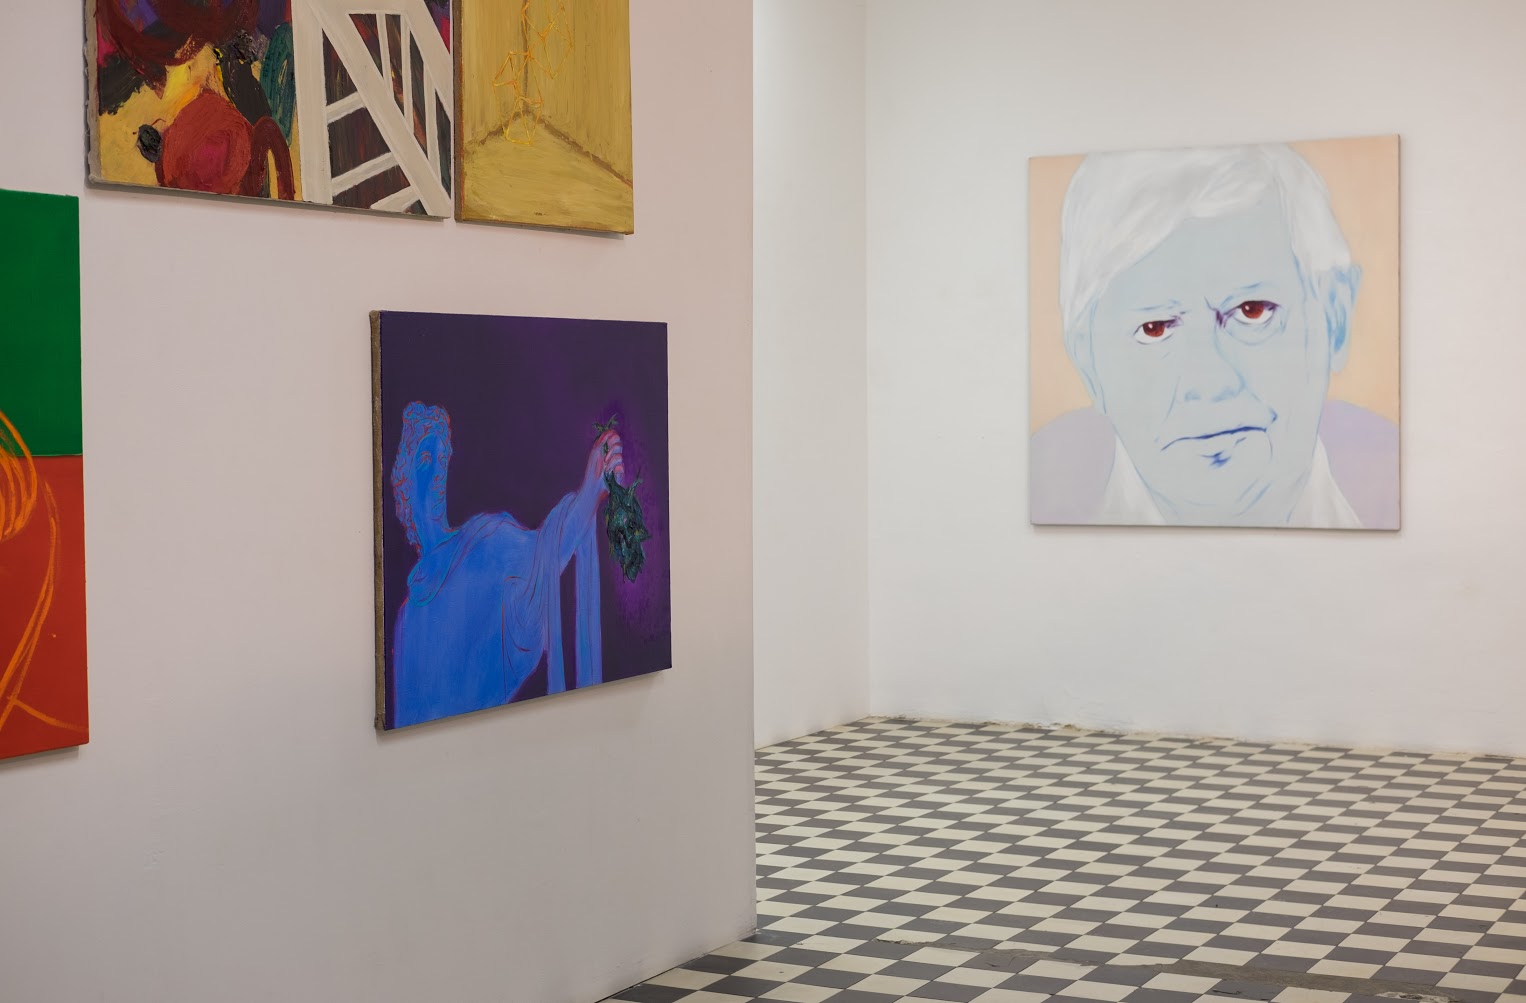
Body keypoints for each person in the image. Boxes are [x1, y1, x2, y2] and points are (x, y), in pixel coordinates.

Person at [1031, 143, 1398, 529]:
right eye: (1154, 329)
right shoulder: (1045, 483)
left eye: (1251, 311)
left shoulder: (1398, 474)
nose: (1208, 384)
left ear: (1335, 316)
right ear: (1088, 364)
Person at [387, 402, 623, 727]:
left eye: (443, 460)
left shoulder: (484, 543)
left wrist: (589, 494)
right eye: (427, 460)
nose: (439, 472)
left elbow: (545, 555)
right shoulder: (407, 620)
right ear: (405, 482)